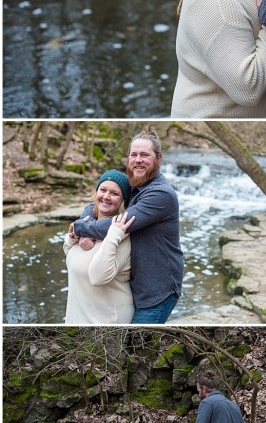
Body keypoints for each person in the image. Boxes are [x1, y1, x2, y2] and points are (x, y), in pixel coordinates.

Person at [71, 127, 184, 323]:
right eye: (134, 154)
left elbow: (116, 225)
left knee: (137, 347)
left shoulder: (161, 194)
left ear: (158, 158)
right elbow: (95, 203)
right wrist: (84, 221)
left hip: (157, 291)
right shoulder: (136, 183)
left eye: (144, 155)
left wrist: (80, 229)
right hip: (137, 285)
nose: (138, 159)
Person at [64, 169, 134, 323]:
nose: (106, 196)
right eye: (103, 190)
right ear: (96, 193)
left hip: (107, 321)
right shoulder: (87, 223)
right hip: (78, 317)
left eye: (115, 193)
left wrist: (114, 235)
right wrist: (72, 238)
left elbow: (97, 277)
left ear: (123, 201)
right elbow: (69, 254)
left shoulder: (121, 237)